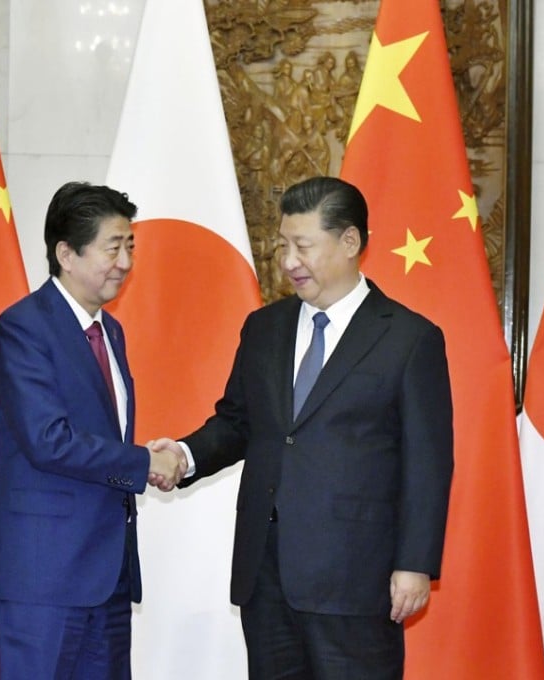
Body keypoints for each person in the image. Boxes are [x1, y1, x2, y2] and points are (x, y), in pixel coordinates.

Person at [150, 176, 454, 679]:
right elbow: (238, 423)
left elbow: (428, 461)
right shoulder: (264, 329)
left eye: (303, 246)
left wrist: (415, 563)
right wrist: (184, 455)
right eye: (283, 245)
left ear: (350, 242)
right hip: (265, 575)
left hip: (357, 578)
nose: (289, 261)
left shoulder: (409, 338)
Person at [0, 181, 184, 679]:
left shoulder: (110, 331)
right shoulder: (23, 327)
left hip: (108, 576)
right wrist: (144, 463)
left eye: (129, 247)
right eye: (113, 247)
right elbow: (48, 440)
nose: (124, 262)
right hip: (44, 581)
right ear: (66, 254)